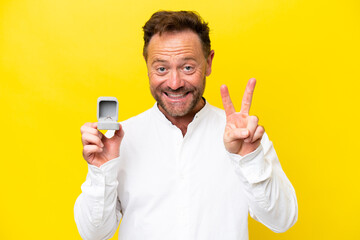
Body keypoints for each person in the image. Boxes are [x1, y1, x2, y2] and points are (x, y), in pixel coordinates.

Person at [74, 10, 298, 240]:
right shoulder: (118, 140)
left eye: (188, 67)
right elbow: (94, 234)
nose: (174, 83)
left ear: (208, 63)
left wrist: (250, 159)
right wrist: (101, 171)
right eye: (161, 68)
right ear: (147, 65)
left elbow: (282, 221)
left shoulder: (244, 137)